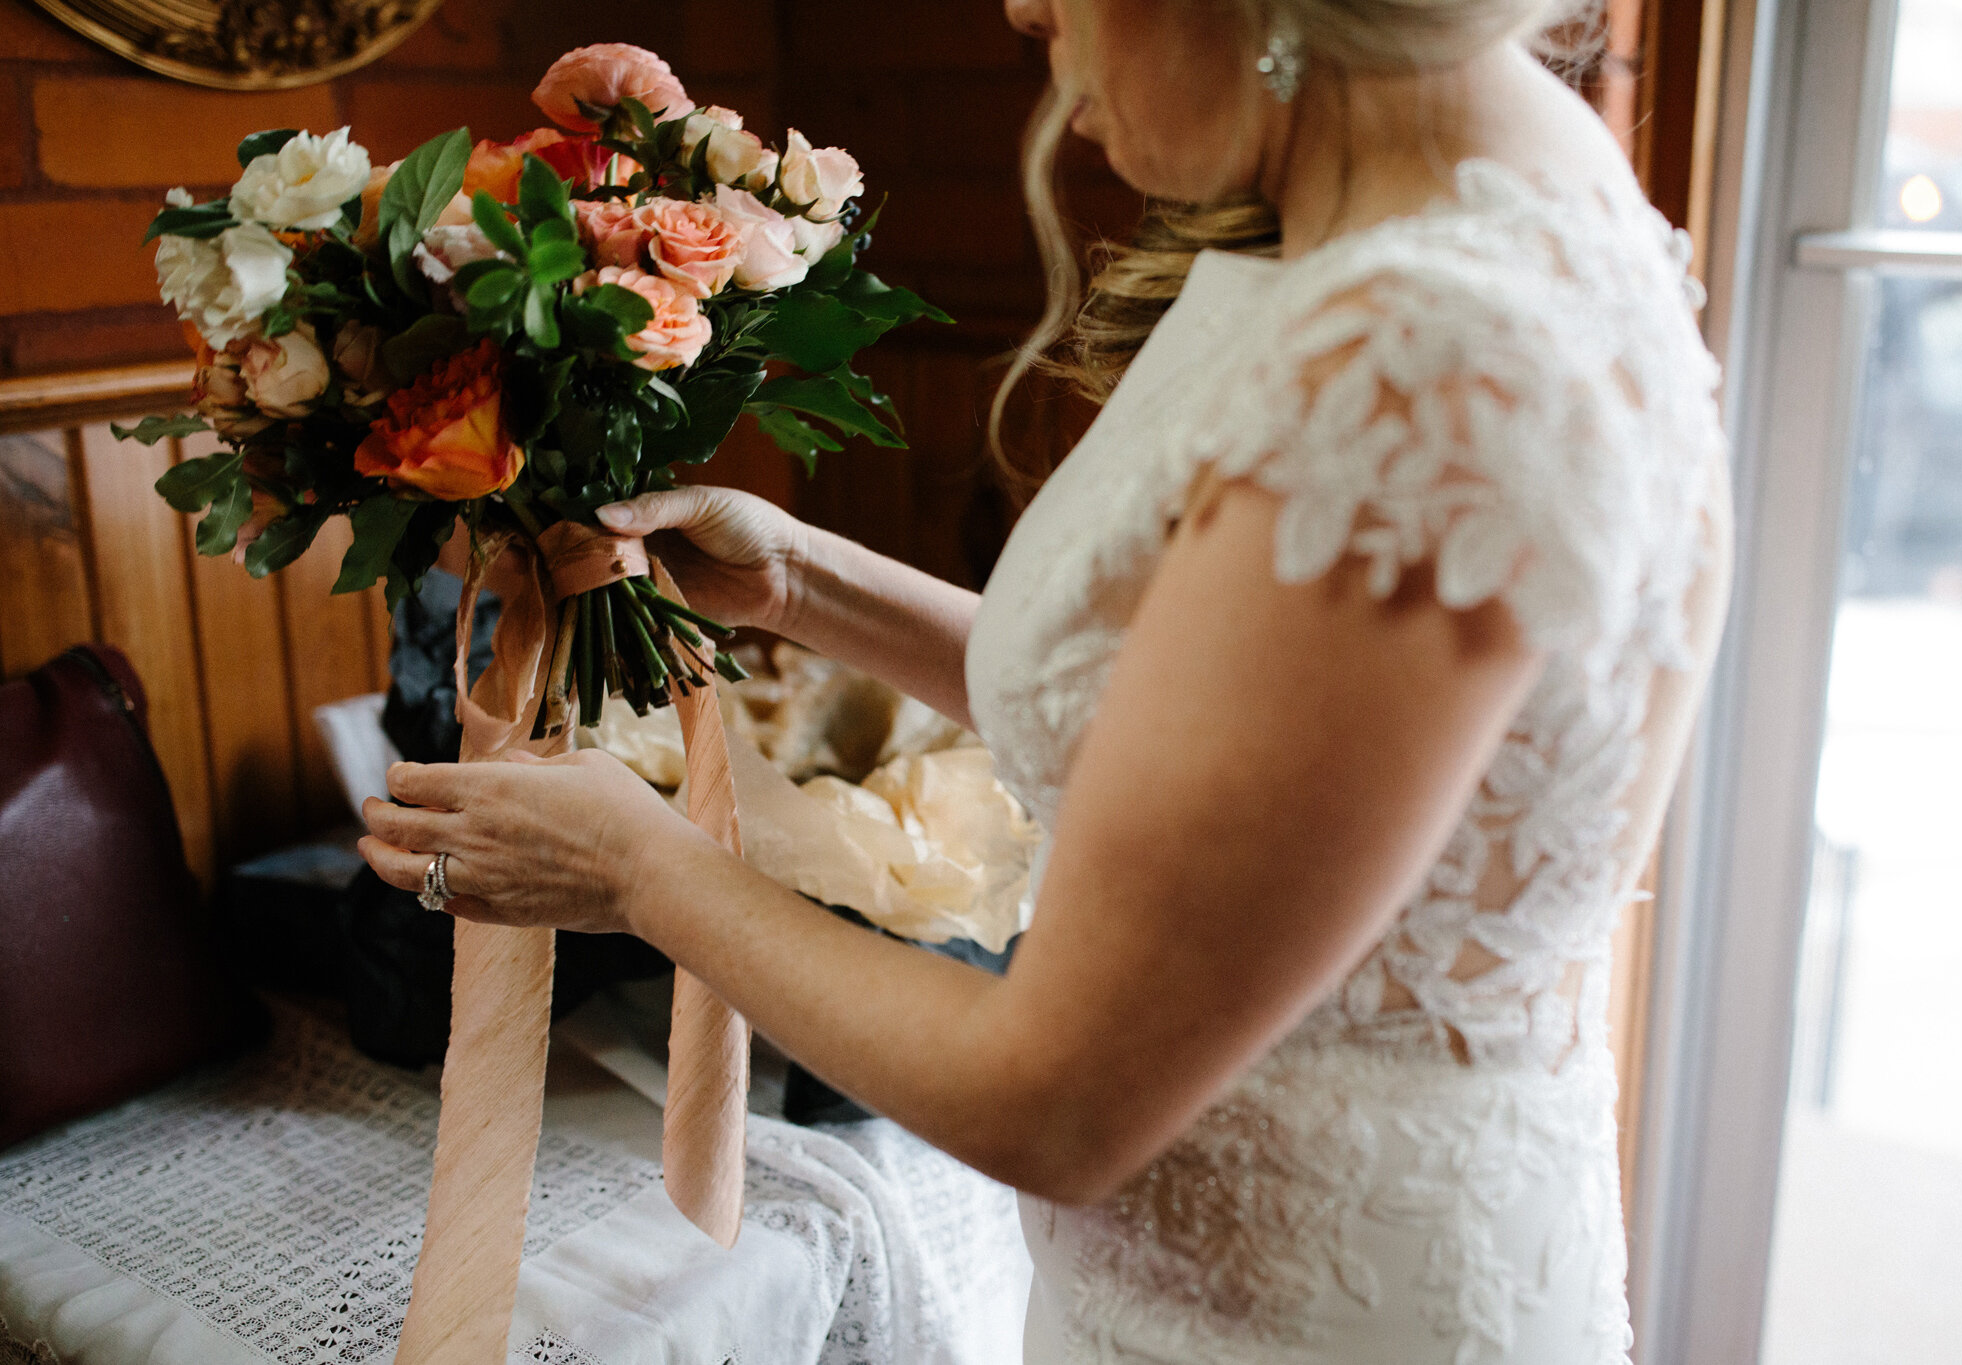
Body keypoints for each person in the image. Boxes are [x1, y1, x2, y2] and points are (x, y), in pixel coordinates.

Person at [360, 0, 1733, 1358]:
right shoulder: (1488, 213)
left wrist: (637, 868)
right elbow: (1214, 725)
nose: (1024, 7)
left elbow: (1057, 1099)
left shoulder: (1429, 359)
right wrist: (805, 580)